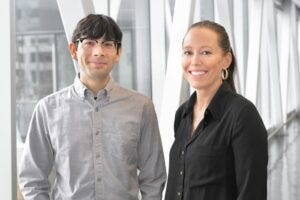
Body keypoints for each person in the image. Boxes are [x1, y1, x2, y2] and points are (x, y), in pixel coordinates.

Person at [19, 14, 166, 200]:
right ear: (73, 50)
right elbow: (32, 179)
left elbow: (153, 178)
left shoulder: (141, 107)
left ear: (118, 52)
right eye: (90, 42)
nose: (99, 52)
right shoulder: (47, 109)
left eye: (107, 44)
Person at [164, 20, 268, 200]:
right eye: (188, 52)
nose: (195, 61)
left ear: (226, 60)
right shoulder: (182, 114)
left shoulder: (242, 115)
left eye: (206, 52)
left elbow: (252, 193)